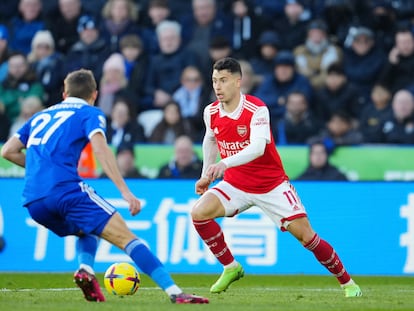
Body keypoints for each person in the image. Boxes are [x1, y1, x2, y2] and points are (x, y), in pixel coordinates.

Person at [0, 69, 208, 304]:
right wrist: (125, 192)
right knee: (128, 238)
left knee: (87, 228)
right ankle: (175, 293)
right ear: (94, 94)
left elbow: (8, 151)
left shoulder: (40, 116)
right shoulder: (89, 112)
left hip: (33, 201)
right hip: (65, 190)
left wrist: (43, 168)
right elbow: (100, 149)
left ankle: (86, 270)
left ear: (64, 93)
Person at [191, 57, 361, 297]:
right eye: (214, 81)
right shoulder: (211, 111)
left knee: (307, 237)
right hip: (235, 183)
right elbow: (210, 139)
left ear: (238, 82)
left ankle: (348, 283)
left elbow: (258, 147)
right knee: (198, 214)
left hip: (270, 185)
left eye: (224, 80)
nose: (218, 87)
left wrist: (224, 163)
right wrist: (206, 174)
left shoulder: (256, 109)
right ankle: (231, 267)